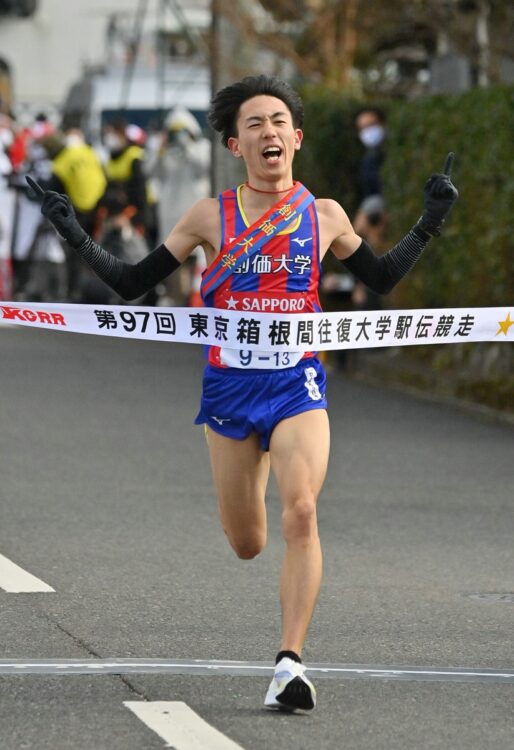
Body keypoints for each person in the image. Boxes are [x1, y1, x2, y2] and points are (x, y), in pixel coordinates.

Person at [27, 75, 458, 713]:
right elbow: (132, 283)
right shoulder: (209, 216)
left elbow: (382, 277)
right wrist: (74, 233)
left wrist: (428, 223)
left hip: (296, 383)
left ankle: (290, 663)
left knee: (304, 511)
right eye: (255, 124)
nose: (269, 132)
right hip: (230, 388)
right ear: (236, 144)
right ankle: (250, 502)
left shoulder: (324, 214)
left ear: (297, 138)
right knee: (248, 540)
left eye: (279, 121)